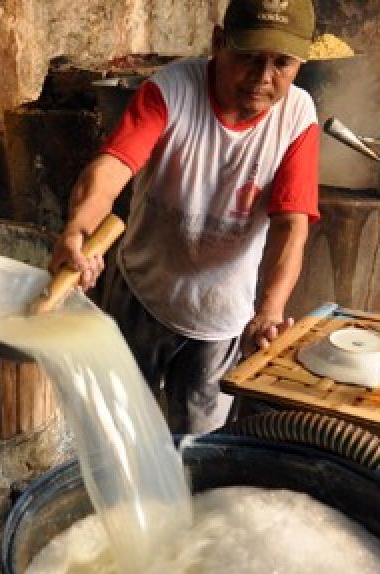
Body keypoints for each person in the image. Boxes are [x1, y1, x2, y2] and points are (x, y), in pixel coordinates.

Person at [50, 0, 321, 433]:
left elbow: (291, 224)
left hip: (220, 316)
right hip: (142, 293)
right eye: (249, 57)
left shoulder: (298, 117)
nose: (263, 78)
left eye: (281, 64)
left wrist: (269, 312)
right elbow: (111, 168)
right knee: (115, 425)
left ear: (300, 64)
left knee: (197, 446)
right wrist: (77, 231)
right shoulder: (170, 91)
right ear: (218, 43)